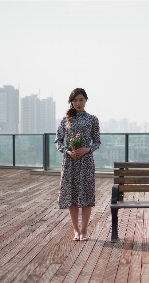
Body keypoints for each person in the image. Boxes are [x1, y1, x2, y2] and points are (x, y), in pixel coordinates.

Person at [54, 88, 101, 241]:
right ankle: (76, 231)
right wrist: (68, 151)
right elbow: (58, 141)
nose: (78, 103)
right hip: (70, 163)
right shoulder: (65, 120)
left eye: (81, 100)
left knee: (86, 196)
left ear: (86, 100)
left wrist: (87, 149)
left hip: (86, 162)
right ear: (71, 102)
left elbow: (97, 142)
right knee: (72, 197)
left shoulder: (93, 119)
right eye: (75, 100)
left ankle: (84, 231)